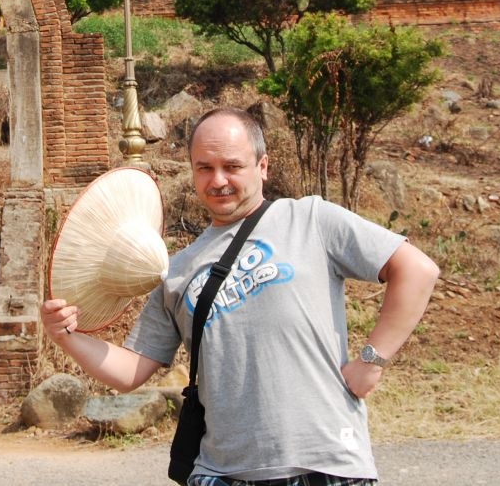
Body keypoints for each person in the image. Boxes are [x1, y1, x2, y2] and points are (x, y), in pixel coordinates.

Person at [41, 107, 439, 486]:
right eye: (205, 168)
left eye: (232, 166)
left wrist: (372, 360)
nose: (218, 181)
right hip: (222, 471)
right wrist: (66, 336)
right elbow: (131, 371)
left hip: (326, 461)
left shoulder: (310, 219)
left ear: (262, 167)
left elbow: (416, 270)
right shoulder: (177, 270)